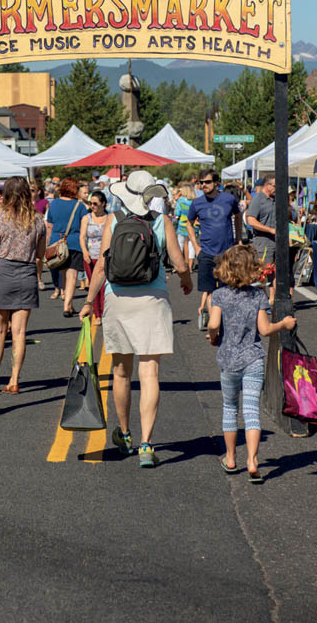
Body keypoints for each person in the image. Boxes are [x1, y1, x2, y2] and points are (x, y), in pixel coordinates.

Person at [80, 171, 193, 468]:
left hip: (118, 299)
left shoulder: (115, 220)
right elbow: (179, 263)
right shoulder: (161, 221)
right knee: (150, 374)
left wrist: (90, 301)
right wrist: (186, 281)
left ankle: (126, 435)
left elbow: (102, 267)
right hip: (152, 300)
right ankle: (146, 443)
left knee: (120, 372)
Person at [208, 245, 297, 483]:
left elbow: (214, 325)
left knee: (230, 408)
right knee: (251, 410)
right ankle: (253, 460)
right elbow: (265, 330)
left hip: (228, 360)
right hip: (253, 358)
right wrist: (284, 324)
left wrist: (213, 336)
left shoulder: (219, 295)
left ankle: (230, 457)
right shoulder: (257, 296)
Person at [0, 178, 48, 394]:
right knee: (19, 332)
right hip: (27, 273)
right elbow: (40, 254)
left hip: (2, 272)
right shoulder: (37, 220)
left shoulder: (0, 216)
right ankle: (14, 380)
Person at [188, 168, 244, 333]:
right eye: (201, 182)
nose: (203, 185)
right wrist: (196, 246)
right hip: (206, 253)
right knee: (210, 291)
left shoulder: (228, 199)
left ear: (216, 183)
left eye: (207, 182)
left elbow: (238, 216)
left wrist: (238, 239)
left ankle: (227, 322)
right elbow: (188, 223)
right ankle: (216, 327)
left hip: (227, 253)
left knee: (230, 289)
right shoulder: (197, 203)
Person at [44, 178, 88, 315]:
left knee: (63, 273)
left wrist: (48, 244)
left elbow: (49, 226)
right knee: (72, 275)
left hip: (57, 242)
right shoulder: (79, 206)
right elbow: (84, 226)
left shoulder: (54, 204)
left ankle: (68, 301)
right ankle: (67, 305)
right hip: (73, 242)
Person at [79, 190, 112, 326]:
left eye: (95, 203)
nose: (92, 206)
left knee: (105, 287)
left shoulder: (109, 218)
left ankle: (106, 313)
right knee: (94, 286)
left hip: (105, 257)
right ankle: (97, 314)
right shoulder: (87, 218)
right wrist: (84, 251)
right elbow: (82, 236)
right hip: (90, 256)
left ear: (103, 204)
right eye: (90, 203)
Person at [246, 175, 278, 302]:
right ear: (267, 185)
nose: (277, 188)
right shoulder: (257, 199)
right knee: (264, 273)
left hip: (276, 241)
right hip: (262, 241)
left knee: (276, 272)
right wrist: (270, 230)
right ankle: (263, 302)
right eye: (275, 186)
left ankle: (274, 300)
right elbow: (251, 220)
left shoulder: (275, 199)